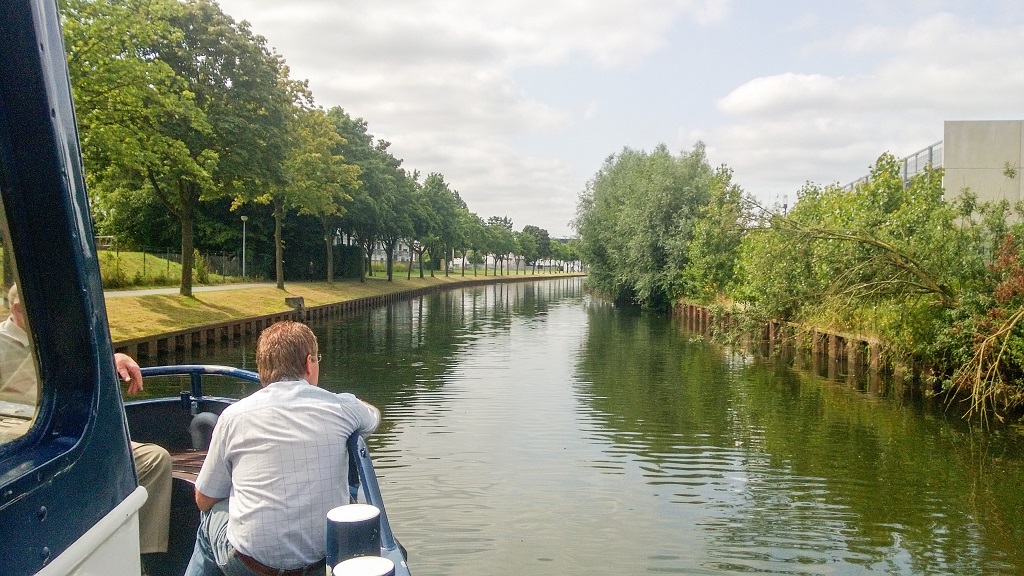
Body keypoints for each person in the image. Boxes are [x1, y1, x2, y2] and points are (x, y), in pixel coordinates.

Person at [185, 320, 380, 576]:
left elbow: (203, 499)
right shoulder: (342, 409)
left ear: (263, 369)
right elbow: (373, 416)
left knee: (211, 517)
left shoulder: (233, 417)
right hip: (319, 563)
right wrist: (349, 403)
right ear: (310, 363)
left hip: (249, 567)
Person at [0, 284, 172, 555]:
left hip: (73, 435)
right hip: (26, 446)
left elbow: (86, 365)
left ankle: (140, 557)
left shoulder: (51, 343)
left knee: (156, 459)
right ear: (19, 310)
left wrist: (114, 358)